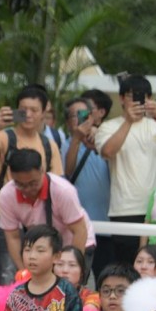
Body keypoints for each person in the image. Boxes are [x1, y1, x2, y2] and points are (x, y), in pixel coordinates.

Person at [0, 84, 63, 283]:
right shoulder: (6, 137)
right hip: (7, 219)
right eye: (23, 109)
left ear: (44, 113)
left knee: (41, 276)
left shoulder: (48, 145)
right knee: (6, 275)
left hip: (39, 221)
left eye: (34, 110)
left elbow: (58, 181)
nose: (28, 115)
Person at [95, 75, 156, 267]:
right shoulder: (109, 126)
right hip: (125, 208)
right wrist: (128, 121)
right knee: (127, 266)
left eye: (143, 96)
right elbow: (107, 151)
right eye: (132, 96)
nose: (137, 100)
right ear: (121, 99)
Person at [0, 149, 95, 276]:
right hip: (43, 250)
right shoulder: (6, 195)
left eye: (33, 183)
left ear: (42, 170)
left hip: (75, 243)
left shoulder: (63, 191)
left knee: (68, 290)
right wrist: (24, 271)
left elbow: (79, 231)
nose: (27, 189)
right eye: (20, 184)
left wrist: (70, 266)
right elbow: (13, 237)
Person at [63, 90, 114, 280]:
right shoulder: (65, 143)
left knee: (105, 277)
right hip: (77, 228)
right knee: (77, 278)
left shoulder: (105, 143)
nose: (82, 119)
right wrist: (77, 139)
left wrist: (98, 141)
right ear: (68, 122)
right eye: (76, 116)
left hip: (107, 226)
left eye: (86, 115)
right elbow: (68, 171)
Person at [55, 246, 99, 311]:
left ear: (81, 271)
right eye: (60, 264)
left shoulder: (92, 297)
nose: (65, 270)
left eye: (72, 265)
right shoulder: (45, 294)